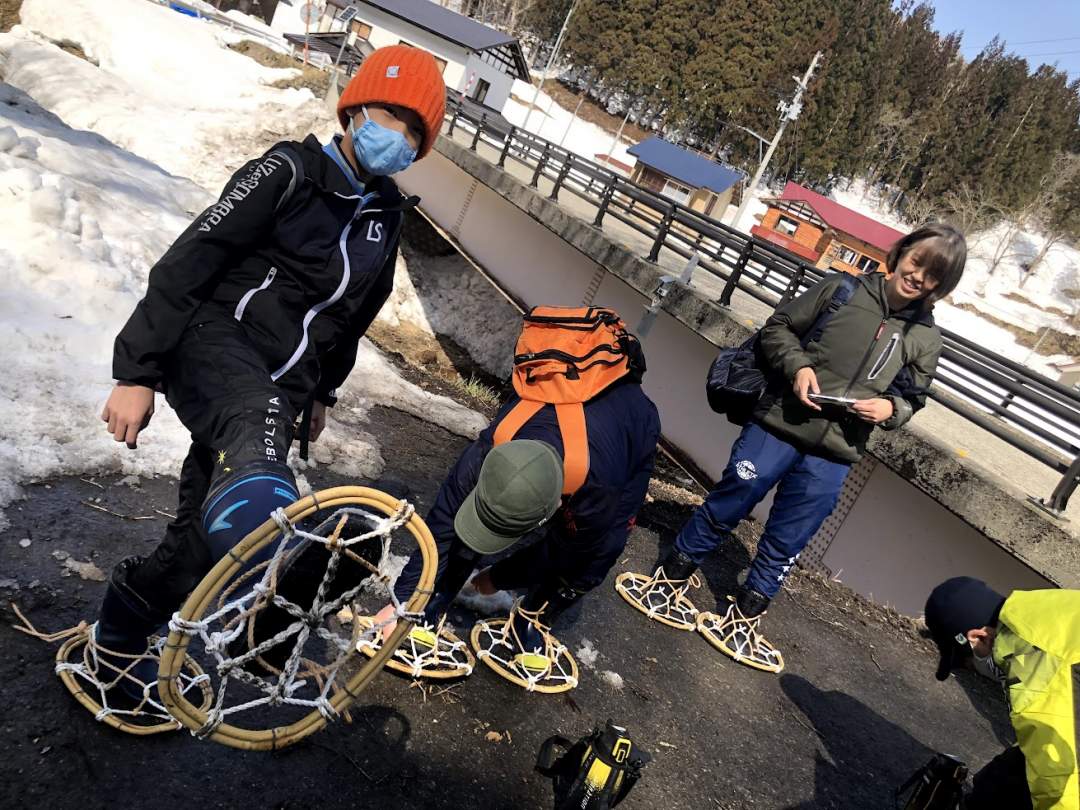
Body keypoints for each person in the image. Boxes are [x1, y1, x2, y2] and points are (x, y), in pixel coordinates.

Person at [92, 45, 446, 700]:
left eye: (415, 131)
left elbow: (350, 318)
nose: (397, 136)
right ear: (355, 106)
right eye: (390, 116)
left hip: (279, 393)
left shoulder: (383, 221)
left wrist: (323, 392)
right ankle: (275, 589)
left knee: (203, 541)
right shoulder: (287, 171)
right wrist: (135, 371)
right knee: (258, 449)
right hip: (213, 343)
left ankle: (119, 631)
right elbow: (190, 260)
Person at [622, 223, 968, 672]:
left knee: (788, 539)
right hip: (779, 422)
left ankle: (744, 616)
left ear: (942, 287)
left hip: (836, 449)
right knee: (730, 501)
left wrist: (890, 408)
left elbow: (912, 398)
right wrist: (799, 367)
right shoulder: (841, 290)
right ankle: (670, 579)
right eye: (917, 262)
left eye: (933, 276)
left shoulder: (925, 338)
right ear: (900, 254)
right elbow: (779, 328)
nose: (918, 277)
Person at [375, 365, 660, 671]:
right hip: (558, 412)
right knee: (457, 525)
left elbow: (560, 553)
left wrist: (497, 578)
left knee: (598, 554)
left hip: (632, 428)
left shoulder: (598, 492)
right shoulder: (492, 447)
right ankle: (434, 598)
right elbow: (442, 525)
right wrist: (404, 599)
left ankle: (532, 619)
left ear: (549, 513)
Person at [924, 576, 1080, 809]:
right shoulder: (1043, 608)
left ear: (979, 637)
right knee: (1008, 777)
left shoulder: (1026, 652)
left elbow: (1057, 777)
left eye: (968, 660)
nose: (974, 668)